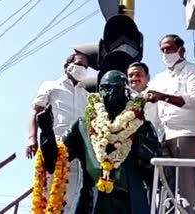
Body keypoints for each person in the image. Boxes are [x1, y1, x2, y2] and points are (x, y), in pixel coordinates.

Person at [36, 70, 161, 214]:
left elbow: (157, 173)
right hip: (91, 203)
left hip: (129, 203)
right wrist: (46, 132)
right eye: (106, 88)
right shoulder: (83, 125)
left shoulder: (141, 125)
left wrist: (145, 157)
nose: (110, 94)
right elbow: (54, 162)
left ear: (126, 92)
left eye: (116, 88)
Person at [147, 34, 195, 213]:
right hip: (164, 135)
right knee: (166, 184)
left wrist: (164, 97)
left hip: (187, 133)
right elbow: (152, 107)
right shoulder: (159, 77)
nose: (165, 53)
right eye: (162, 50)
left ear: (181, 50)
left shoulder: (193, 71)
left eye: (169, 48)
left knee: (186, 184)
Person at [26, 52, 89, 214]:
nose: (82, 69)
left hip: (77, 152)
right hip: (54, 147)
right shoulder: (50, 86)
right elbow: (36, 113)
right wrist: (32, 139)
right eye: (79, 64)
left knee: (72, 196)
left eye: (86, 67)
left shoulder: (87, 96)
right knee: (49, 194)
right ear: (67, 66)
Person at [127, 62, 163, 141]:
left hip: (155, 142)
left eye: (138, 74)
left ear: (148, 77)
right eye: (130, 76)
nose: (134, 78)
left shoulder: (157, 95)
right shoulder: (125, 98)